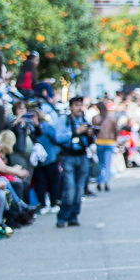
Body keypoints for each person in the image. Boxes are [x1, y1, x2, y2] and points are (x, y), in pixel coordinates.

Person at [54, 96, 95, 227]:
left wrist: (89, 134)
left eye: (80, 105)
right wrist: (76, 132)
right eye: (76, 105)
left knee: (79, 190)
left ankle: (74, 216)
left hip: (82, 156)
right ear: (70, 107)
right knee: (70, 189)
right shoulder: (64, 119)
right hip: (68, 157)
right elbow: (59, 137)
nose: (79, 108)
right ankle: (62, 216)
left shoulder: (84, 120)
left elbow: (90, 139)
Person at [92, 99, 118, 191]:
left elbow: (93, 131)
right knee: (107, 164)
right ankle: (106, 181)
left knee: (100, 163)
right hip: (109, 142)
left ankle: (99, 181)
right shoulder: (111, 118)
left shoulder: (95, 118)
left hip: (100, 142)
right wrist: (115, 139)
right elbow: (115, 131)